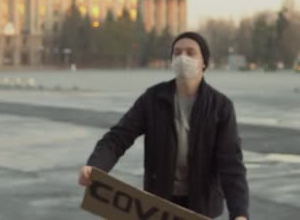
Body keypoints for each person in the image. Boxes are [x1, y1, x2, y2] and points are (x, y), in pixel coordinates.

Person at [78, 32, 249, 220]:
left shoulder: (220, 107)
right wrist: (95, 166)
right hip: (158, 204)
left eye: (190, 53)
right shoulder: (153, 99)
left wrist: (239, 212)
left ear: (204, 63)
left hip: (202, 207)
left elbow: (231, 163)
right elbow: (118, 138)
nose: (182, 58)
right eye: (177, 53)